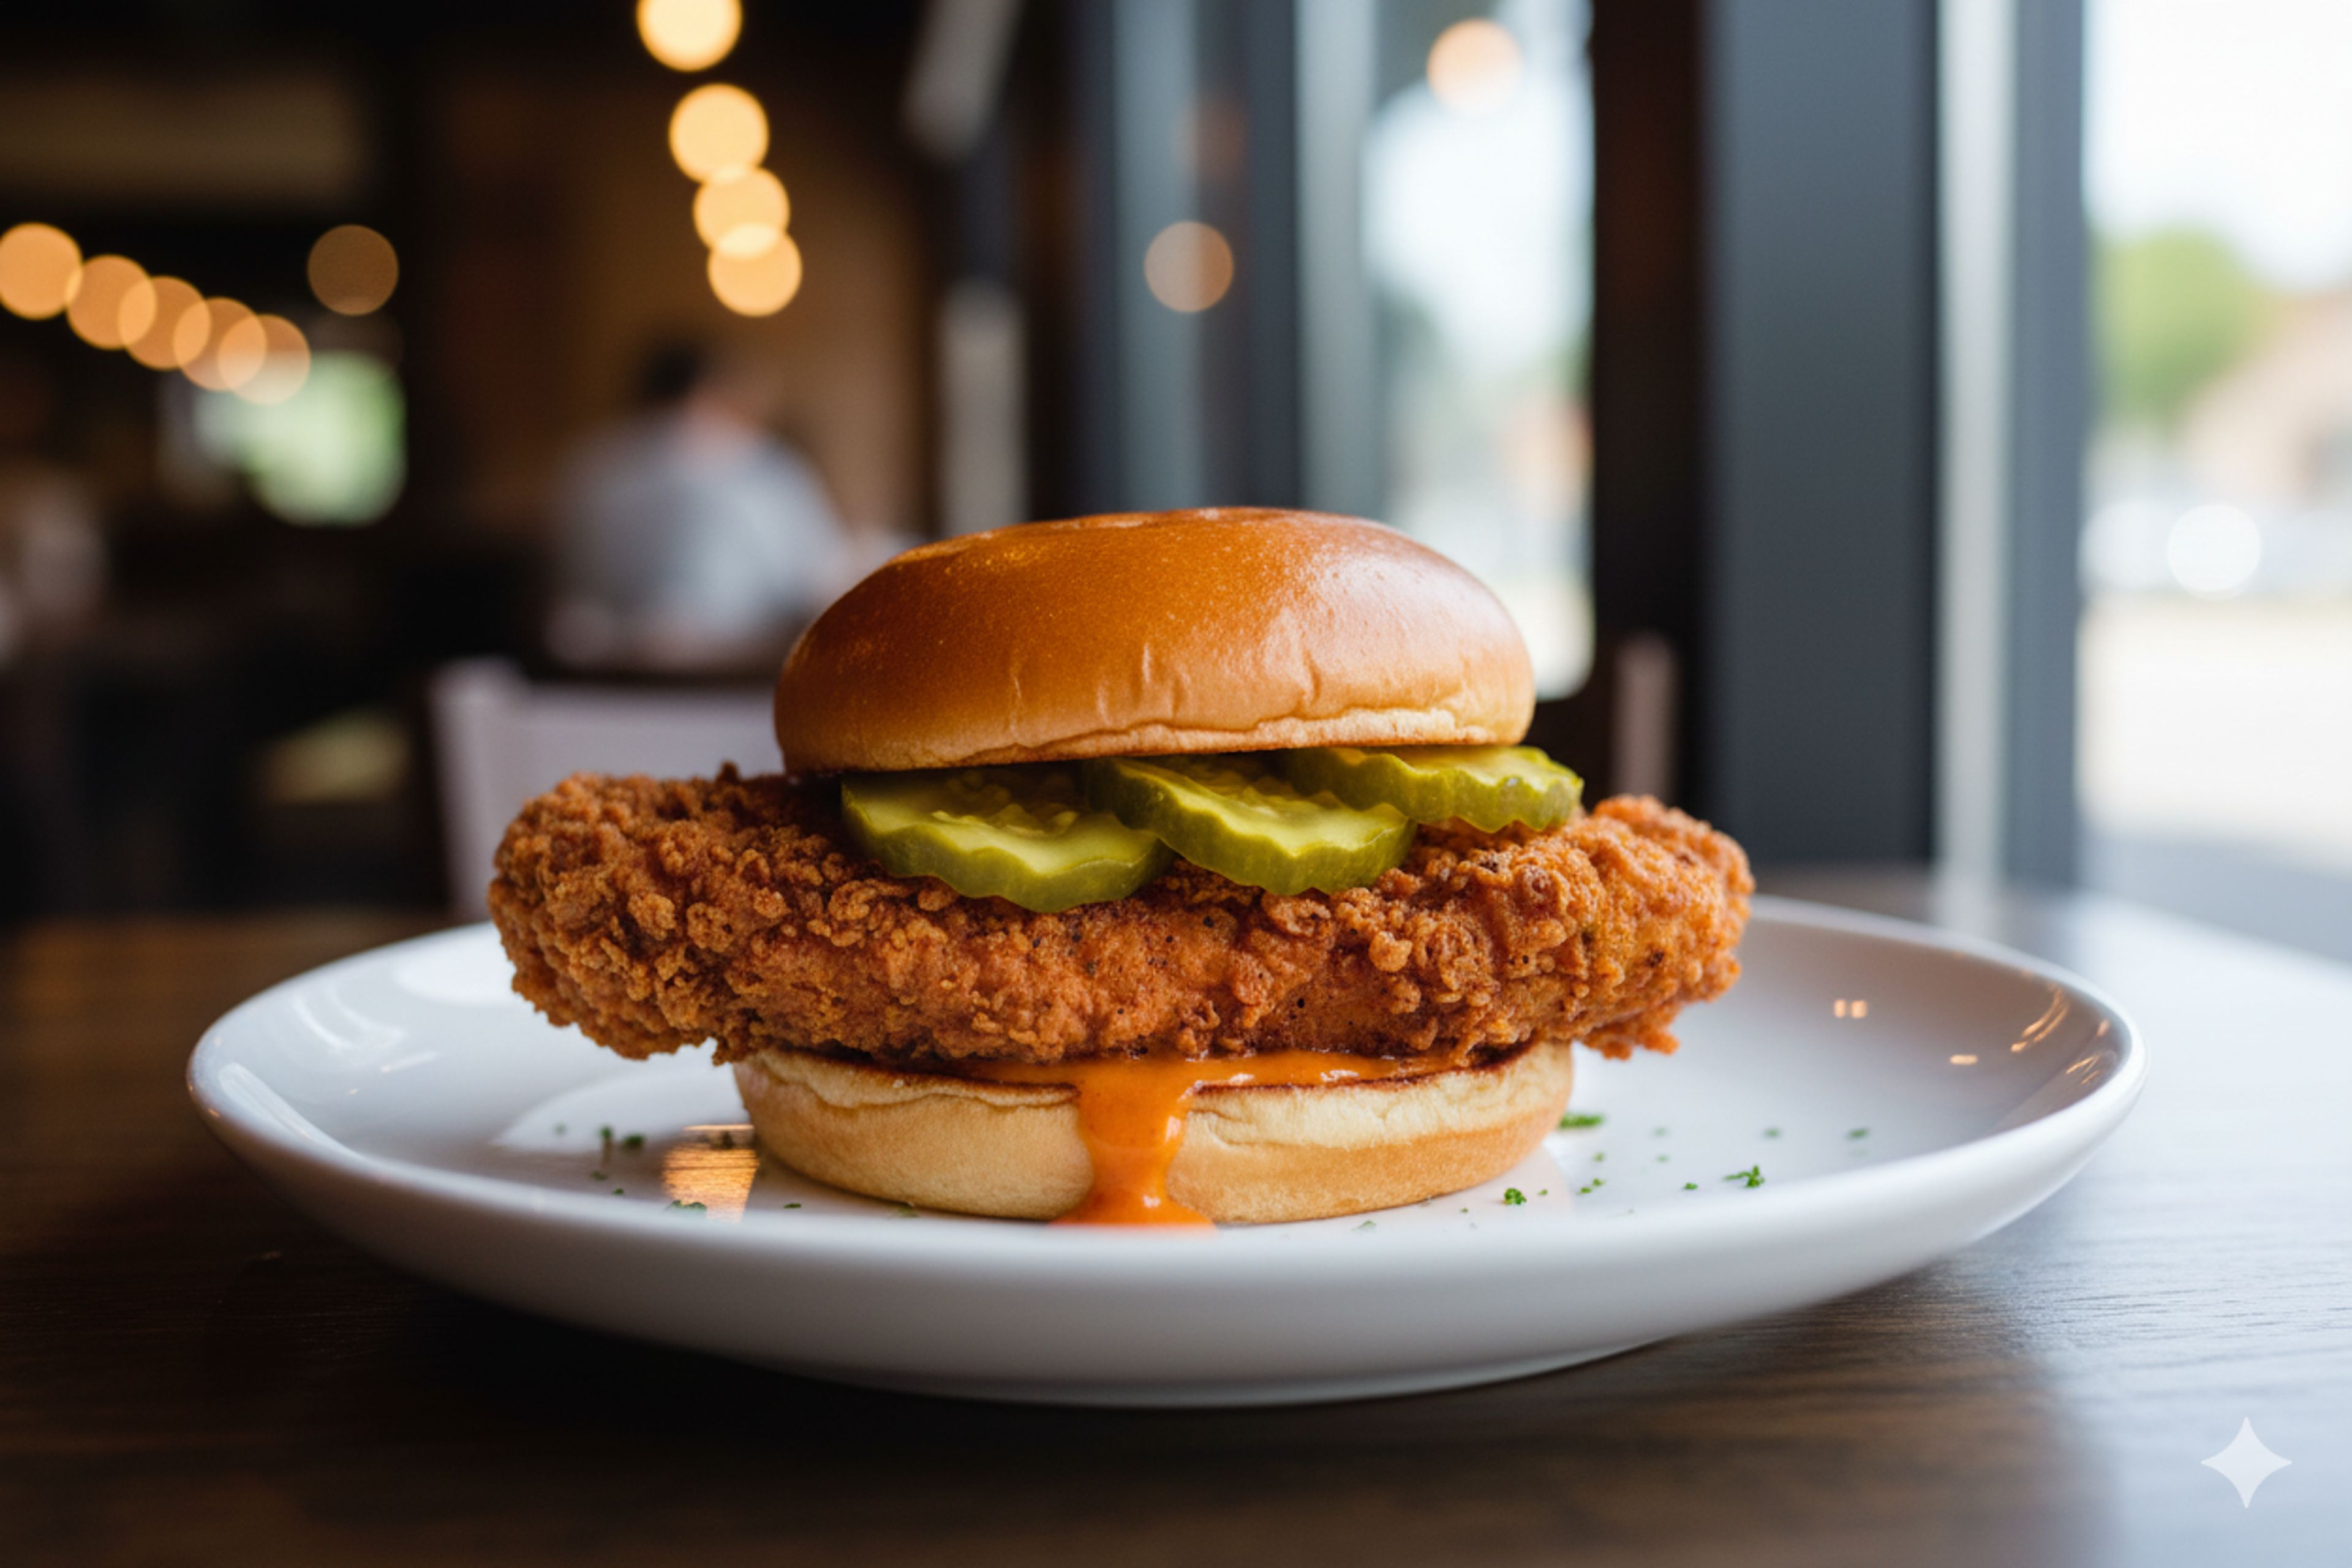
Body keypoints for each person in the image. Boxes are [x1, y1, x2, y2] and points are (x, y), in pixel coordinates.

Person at [548, 342, 851, 673]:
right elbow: (817, 579)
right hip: (744, 674)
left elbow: (570, 576)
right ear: (709, 391)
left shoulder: (590, 464)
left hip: (607, 675)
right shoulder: (764, 465)